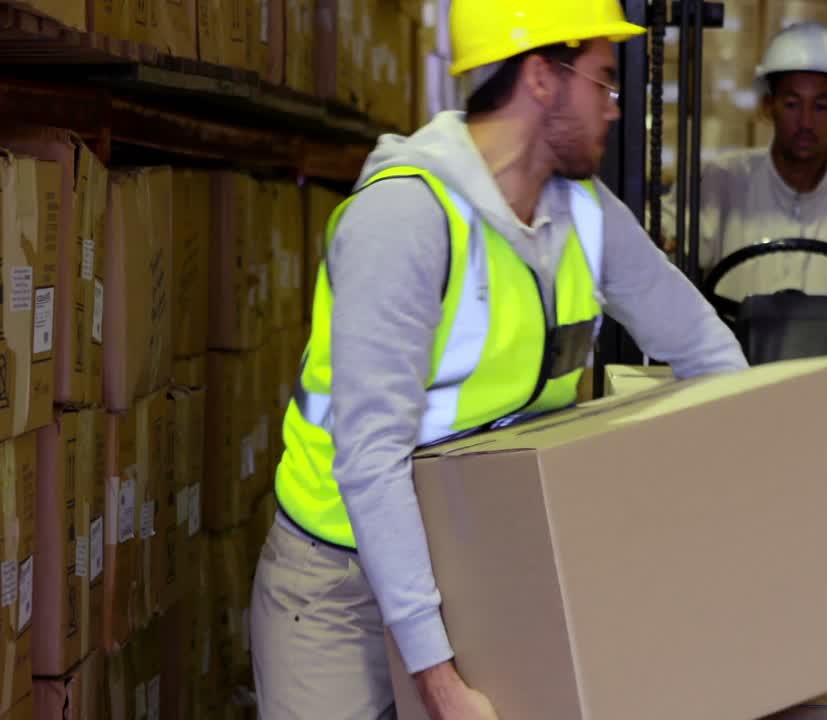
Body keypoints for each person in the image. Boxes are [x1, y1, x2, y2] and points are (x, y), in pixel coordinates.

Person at [248, 1, 749, 718]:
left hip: (481, 569)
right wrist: (439, 680)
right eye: (604, 82)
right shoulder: (406, 217)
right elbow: (370, 459)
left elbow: (705, 349)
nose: (614, 108)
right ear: (542, 77)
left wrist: (734, 518)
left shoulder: (584, 213)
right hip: (340, 582)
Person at [664, 21, 827, 320]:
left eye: (820, 106)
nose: (805, 122)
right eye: (792, 104)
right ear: (768, 106)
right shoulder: (720, 181)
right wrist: (661, 238)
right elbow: (665, 232)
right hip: (737, 348)